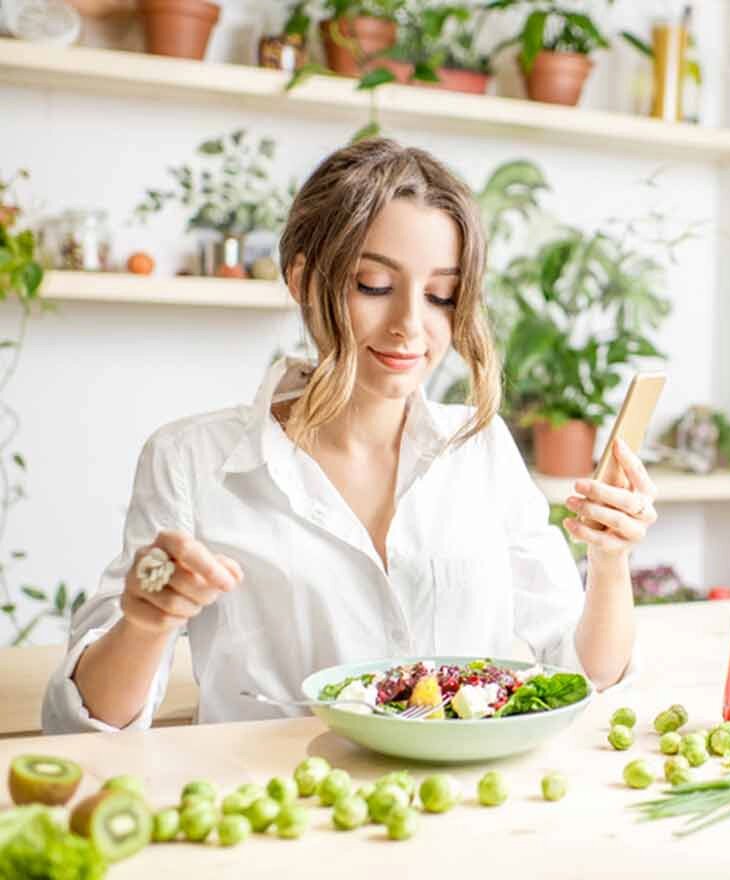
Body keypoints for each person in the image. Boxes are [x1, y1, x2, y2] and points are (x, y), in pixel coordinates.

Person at [42, 138, 655, 733]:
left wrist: (609, 560)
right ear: (305, 281)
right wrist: (146, 623)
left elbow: (586, 674)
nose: (410, 326)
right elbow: (85, 723)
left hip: (468, 809)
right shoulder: (190, 460)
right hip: (282, 807)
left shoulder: (480, 444)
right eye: (374, 286)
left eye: (441, 295)